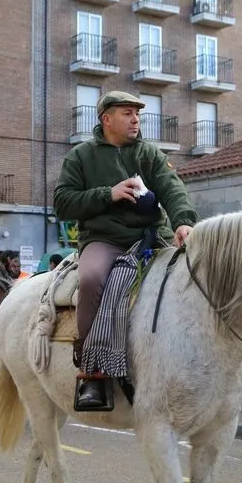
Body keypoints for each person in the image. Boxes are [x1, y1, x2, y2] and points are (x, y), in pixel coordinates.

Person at [54, 90, 198, 408]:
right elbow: (62, 203)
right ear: (106, 118)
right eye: (127, 113)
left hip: (152, 237)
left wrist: (183, 222)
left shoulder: (149, 154)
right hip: (104, 239)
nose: (135, 119)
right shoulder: (81, 156)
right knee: (91, 278)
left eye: (137, 114)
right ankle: (91, 372)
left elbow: (172, 188)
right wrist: (109, 194)